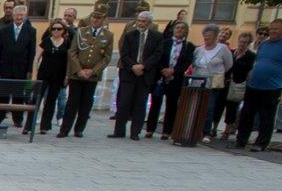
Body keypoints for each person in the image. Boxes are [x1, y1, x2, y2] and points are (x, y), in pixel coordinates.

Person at [236, 19, 282, 152]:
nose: (273, 31)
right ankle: (241, 140)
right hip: (254, 84)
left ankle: (261, 143)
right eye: (272, 28)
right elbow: (259, 61)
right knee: (247, 114)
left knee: (266, 116)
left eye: (277, 28)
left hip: (272, 86)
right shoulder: (264, 44)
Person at [58, 7, 113, 138]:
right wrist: (79, 70)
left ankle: (79, 129)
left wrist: (93, 71)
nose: (95, 20)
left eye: (98, 18)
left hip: (92, 76)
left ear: (103, 20)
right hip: (77, 74)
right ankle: (64, 129)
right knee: (72, 102)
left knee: (86, 103)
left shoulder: (108, 35)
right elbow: (72, 52)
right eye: (94, 17)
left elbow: (106, 57)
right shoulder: (81, 32)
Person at [110, 11, 162, 140]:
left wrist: (143, 66)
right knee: (123, 102)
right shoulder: (130, 35)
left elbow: (157, 54)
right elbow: (124, 53)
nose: (140, 23)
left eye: (143, 21)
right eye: (139, 20)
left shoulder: (157, 36)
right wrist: (133, 66)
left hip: (145, 74)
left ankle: (135, 132)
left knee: (140, 103)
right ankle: (119, 131)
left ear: (149, 23)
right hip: (129, 73)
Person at [144, 21, 195, 140]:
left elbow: (187, 62)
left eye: (182, 28)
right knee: (155, 103)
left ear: (186, 31)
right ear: (173, 29)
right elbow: (157, 57)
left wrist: (174, 70)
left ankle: (167, 131)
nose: (179, 30)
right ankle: (150, 129)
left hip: (176, 78)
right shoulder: (164, 43)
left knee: (172, 105)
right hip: (161, 77)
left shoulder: (189, 46)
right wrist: (163, 70)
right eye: (177, 28)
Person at [0, 4, 35, 132]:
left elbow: (31, 52)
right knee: (2, 94)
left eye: (22, 15)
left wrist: (29, 70)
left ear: (25, 16)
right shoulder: (4, 30)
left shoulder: (31, 31)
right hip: (5, 67)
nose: (19, 17)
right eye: (17, 15)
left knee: (18, 95)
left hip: (21, 68)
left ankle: (18, 119)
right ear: (13, 16)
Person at [193, 25, 233, 142]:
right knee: (197, 107)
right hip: (198, 82)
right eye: (205, 37)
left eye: (209, 37)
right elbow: (195, 64)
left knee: (209, 108)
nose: (206, 39)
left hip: (213, 83)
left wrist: (217, 73)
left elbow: (228, 64)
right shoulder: (198, 50)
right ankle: (195, 130)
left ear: (215, 37)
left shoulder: (222, 49)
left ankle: (206, 132)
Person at [37, 19, 70, 135]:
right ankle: (29, 126)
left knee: (51, 101)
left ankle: (45, 126)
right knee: (36, 99)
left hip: (58, 76)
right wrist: (34, 73)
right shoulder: (46, 41)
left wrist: (67, 76)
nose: (56, 31)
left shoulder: (67, 43)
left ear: (63, 31)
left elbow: (69, 61)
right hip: (43, 74)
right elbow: (36, 57)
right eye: (54, 29)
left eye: (59, 29)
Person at [221, 31, 255, 140]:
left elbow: (246, 68)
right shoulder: (232, 52)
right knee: (220, 105)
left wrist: (235, 63)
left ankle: (227, 129)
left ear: (249, 43)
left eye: (245, 42)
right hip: (226, 82)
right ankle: (215, 127)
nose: (242, 44)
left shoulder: (251, 56)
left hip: (238, 84)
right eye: (240, 42)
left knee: (232, 106)